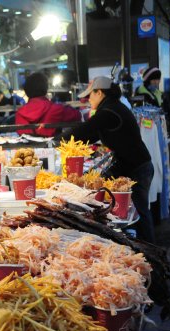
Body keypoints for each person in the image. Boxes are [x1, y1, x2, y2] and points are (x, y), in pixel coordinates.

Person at [60, 77, 156, 243]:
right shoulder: (113, 109)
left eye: (90, 95)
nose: (88, 99)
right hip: (133, 166)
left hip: (138, 168)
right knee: (135, 212)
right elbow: (92, 135)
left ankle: (151, 254)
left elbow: (86, 129)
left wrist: (58, 140)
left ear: (100, 92)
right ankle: (138, 247)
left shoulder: (109, 112)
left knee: (139, 213)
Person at [15, 72, 81, 137]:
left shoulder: (20, 114)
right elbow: (78, 115)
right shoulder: (57, 109)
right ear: (46, 89)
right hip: (54, 146)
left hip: (27, 147)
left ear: (26, 91)